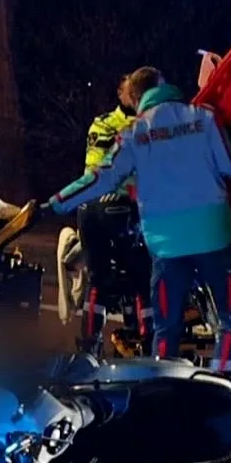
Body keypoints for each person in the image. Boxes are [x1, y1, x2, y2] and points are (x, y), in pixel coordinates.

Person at [47, 68, 231, 372]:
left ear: (135, 97)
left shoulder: (133, 133)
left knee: (166, 326)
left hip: (165, 243)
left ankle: (162, 384)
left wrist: (57, 203)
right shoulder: (203, 117)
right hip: (212, 236)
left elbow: (101, 177)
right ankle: (225, 382)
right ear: (164, 85)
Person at [62, 68, 161, 343]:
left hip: (89, 207)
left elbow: (92, 169)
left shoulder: (100, 123)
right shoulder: (147, 125)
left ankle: (90, 343)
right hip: (121, 206)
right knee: (142, 276)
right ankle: (149, 340)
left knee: (98, 279)